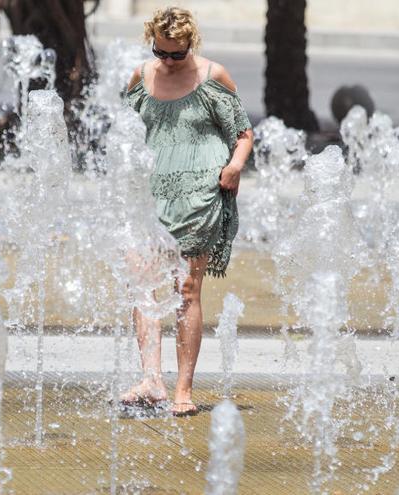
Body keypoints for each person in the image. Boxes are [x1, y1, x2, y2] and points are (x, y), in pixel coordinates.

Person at [123, 7, 253, 416]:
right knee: (143, 286)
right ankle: (150, 379)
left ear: (190, 45)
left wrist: (233, 168)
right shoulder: (142, 77)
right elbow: (122, 133)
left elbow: (244, 134)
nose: (168, 61)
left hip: (199, 197)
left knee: (185, 291)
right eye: (161, 52)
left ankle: (183, 390)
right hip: (151, 195)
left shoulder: (213, 76)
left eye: (176, 55)